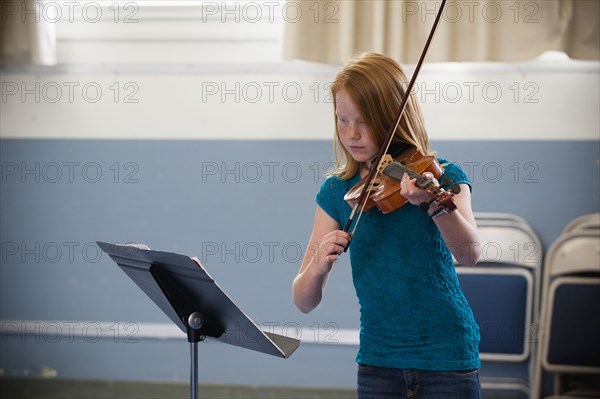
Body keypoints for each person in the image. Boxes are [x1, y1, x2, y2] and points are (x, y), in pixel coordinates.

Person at [292, 52, 482, 399]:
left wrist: (435, 205)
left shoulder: (441, 175)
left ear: (394, 116)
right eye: (342, 120)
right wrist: (318, 265)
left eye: (364, 121)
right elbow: (303, 301)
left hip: (447, 355)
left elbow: (470, 254)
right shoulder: (338, 191)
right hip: (379, 360)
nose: (352, 134)